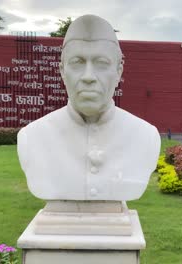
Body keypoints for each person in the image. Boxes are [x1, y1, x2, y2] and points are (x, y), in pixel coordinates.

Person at [17, 15, 160, 201]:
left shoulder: (145, 136)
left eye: (101, 64)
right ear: (62, 71)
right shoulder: (32, 137)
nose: (88, 76)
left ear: (118, 72)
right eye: (77, 63)